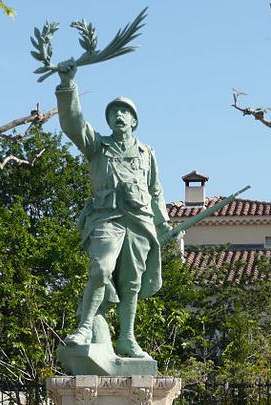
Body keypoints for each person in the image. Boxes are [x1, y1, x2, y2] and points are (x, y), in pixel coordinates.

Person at [55, 58, 171, 359]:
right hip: (106, 217)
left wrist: (164, 222)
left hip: (139, 219)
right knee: (101, 267)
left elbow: (155, 189)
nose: (119, 115)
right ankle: (83, 327)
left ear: (134, 121)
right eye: (114, 112)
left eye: (125, 112)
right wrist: (68, 86)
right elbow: (73, 122)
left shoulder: (147, 152)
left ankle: (127, 339)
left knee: (131, 281)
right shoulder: (97, 145)